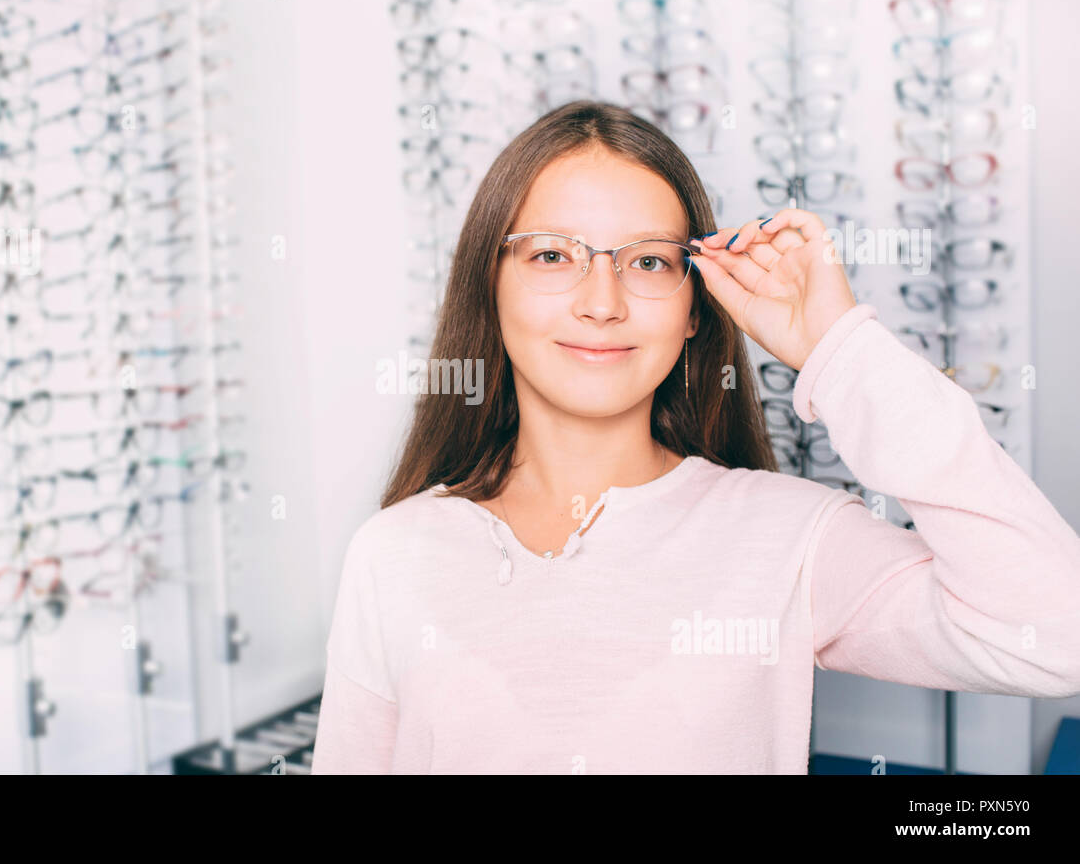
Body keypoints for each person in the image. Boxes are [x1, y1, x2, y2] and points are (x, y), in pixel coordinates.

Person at [309, 100, 1080, 774]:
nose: (601, 301)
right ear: (489, 283)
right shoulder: (394, 552)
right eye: (552, 254)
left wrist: (841, 350)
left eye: (647, 261)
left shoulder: (791, 539)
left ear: (693, 310)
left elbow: (1055, 633)